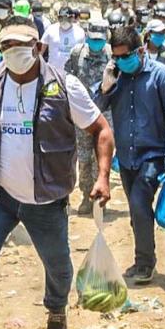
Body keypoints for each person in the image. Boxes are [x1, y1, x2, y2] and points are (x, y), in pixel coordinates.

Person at [0, 17, 114, 329]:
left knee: (58, 267)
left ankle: (56, 310)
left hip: (46, 199)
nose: (14, 53)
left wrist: (102, 177)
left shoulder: (64, 85)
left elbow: (101, 130)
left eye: (21, 47)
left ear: (38, 48)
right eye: (7, 47)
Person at [93, 26, 165, 284]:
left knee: (140, 202)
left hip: (152, 155)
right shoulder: (117, 77)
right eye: (116, 57)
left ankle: (145, 263)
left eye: (125, 56)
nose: (121, 61)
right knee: (135, 210)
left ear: (140, 51)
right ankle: (142, 259)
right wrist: (105, 86)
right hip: (127, 157)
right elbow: (96, 109)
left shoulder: (162, 77)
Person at [65, 20, 112, 215]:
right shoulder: (77, 53)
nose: (96, 44)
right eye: (93, 40)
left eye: (99, 40)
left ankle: (101, 197)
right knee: (84, 158)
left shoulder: (111, 54)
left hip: (105, 112)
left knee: (101, 156)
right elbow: (67, 76)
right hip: (82, 115)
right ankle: (86, 195)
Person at [41, 6, 86, 72]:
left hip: (71, 73)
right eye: (61, 18)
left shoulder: (80, 32)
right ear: (58, 18)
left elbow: (82, 53)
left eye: (67, 19)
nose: (64, 22)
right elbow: (40, 50)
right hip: (52, 72)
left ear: (73, 17)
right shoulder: (50, 29)